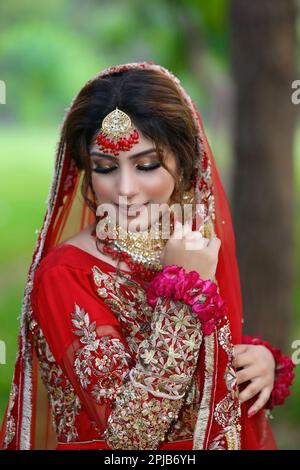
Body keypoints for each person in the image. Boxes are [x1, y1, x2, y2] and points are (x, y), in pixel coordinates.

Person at [0, 61, 294, 450]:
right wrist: (183, 290)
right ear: (86, 170)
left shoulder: (190, 244)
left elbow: (202, 372)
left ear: (185, 161)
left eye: (147, 165)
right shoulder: (65, 275)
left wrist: (257, 363)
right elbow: (131, 434)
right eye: (105, 168)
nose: (125, 188)